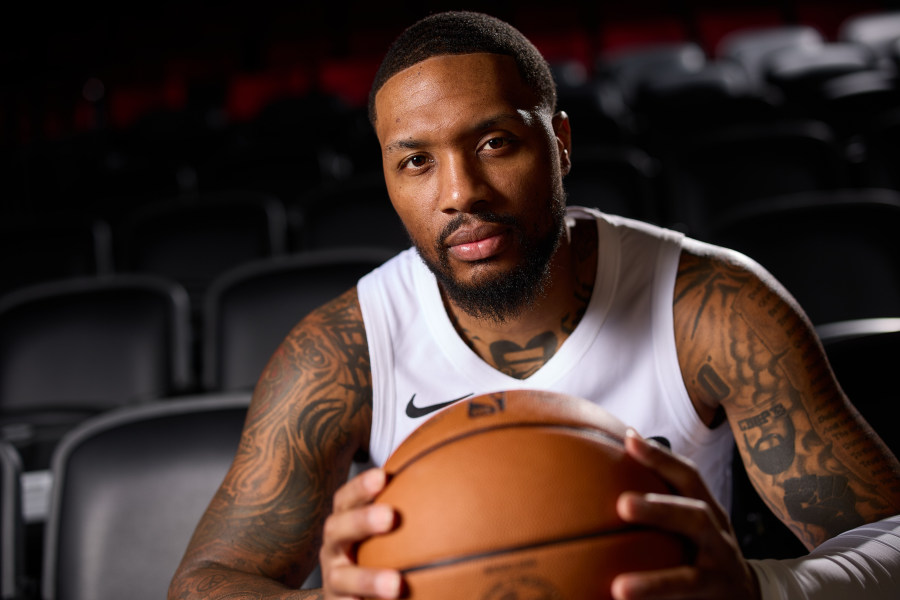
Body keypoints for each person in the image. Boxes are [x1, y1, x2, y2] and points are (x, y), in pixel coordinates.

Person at [169, 11, 900, 600]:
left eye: (494, 142)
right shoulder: (342, 351)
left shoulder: (711, 306)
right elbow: (203, 583)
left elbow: (891, 537)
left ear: (561, 143)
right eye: (417, 161)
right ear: (389, 179)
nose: (461, 193)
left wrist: (758, 589)